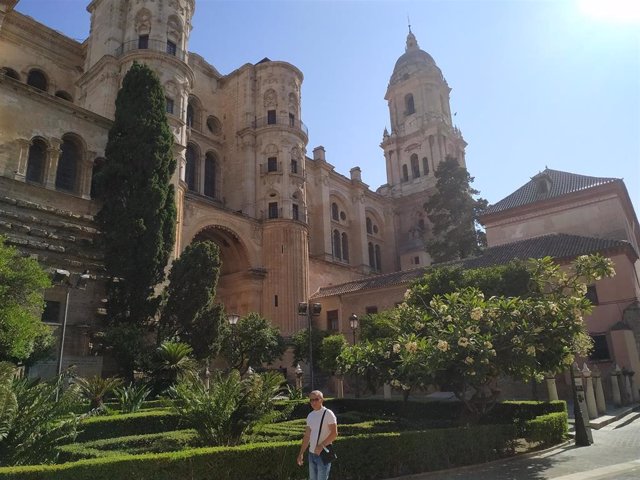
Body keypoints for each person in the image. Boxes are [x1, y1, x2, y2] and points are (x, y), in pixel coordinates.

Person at [296, 390, 338, 480]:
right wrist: (301, 453)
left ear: (322, 400)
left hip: (322, 454)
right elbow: (307, 436)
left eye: (316, 399)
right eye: (311, 400)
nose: (313, 402)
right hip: (311, 454)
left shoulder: (328, 413)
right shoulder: (310, 415)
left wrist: (321, 445)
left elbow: (334, 433)